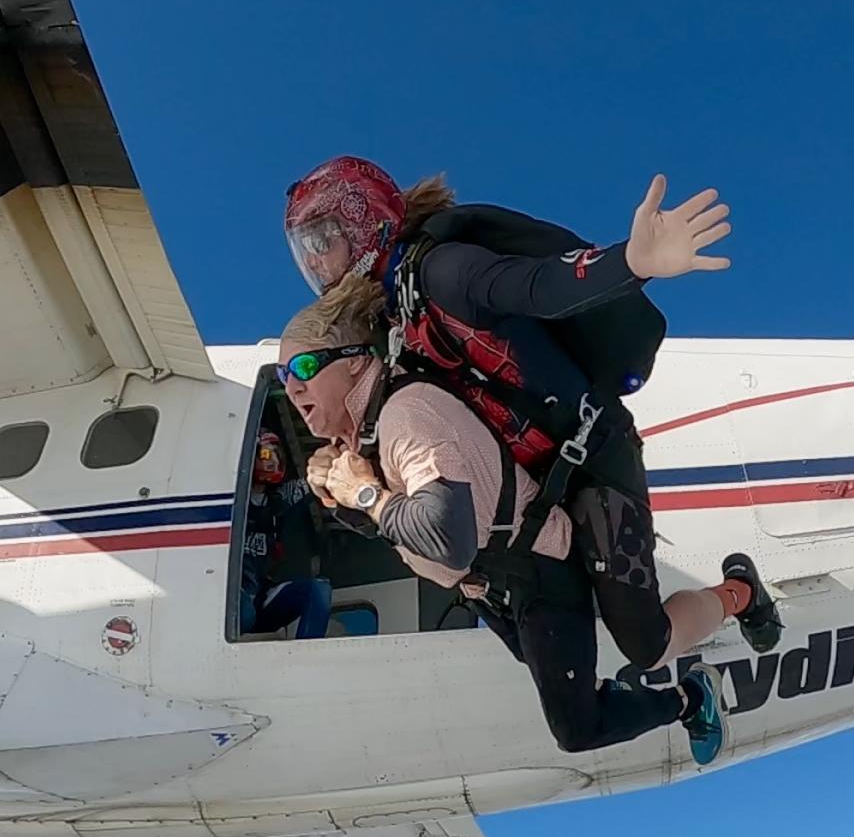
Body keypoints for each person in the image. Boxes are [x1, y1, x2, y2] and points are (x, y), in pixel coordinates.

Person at [282, 157, 784, 672]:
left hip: (592, 458)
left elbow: (534, 286)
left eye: (322, 240)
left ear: (366, 222)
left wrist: (632, 262)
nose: (316, 264)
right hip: (531, 481)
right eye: (305, 251)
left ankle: (739, 593)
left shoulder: (441, 272)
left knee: (645, 643)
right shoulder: (390, 321)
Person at [277, 281, 750, 762]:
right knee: (546, 663)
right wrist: (342, 501)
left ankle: (695, 688)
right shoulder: (370, 436)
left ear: (356, 360)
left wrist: (364, 493)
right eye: (283, 373)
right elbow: (396, 529)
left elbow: (446, 537)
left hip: (536, 570)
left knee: (578, 726)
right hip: (495, 585)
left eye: (305, 366)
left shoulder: (406, 417)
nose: (291, 385)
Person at [238, 431, 333, 639]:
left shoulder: (279, 498)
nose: (272, 461)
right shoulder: (230, 498)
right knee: (244, 614)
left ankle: (305, 658)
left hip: (260, 598)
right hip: (232, 601)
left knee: (319, 589)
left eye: (276, 454)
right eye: (264, 455)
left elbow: (313, 483)